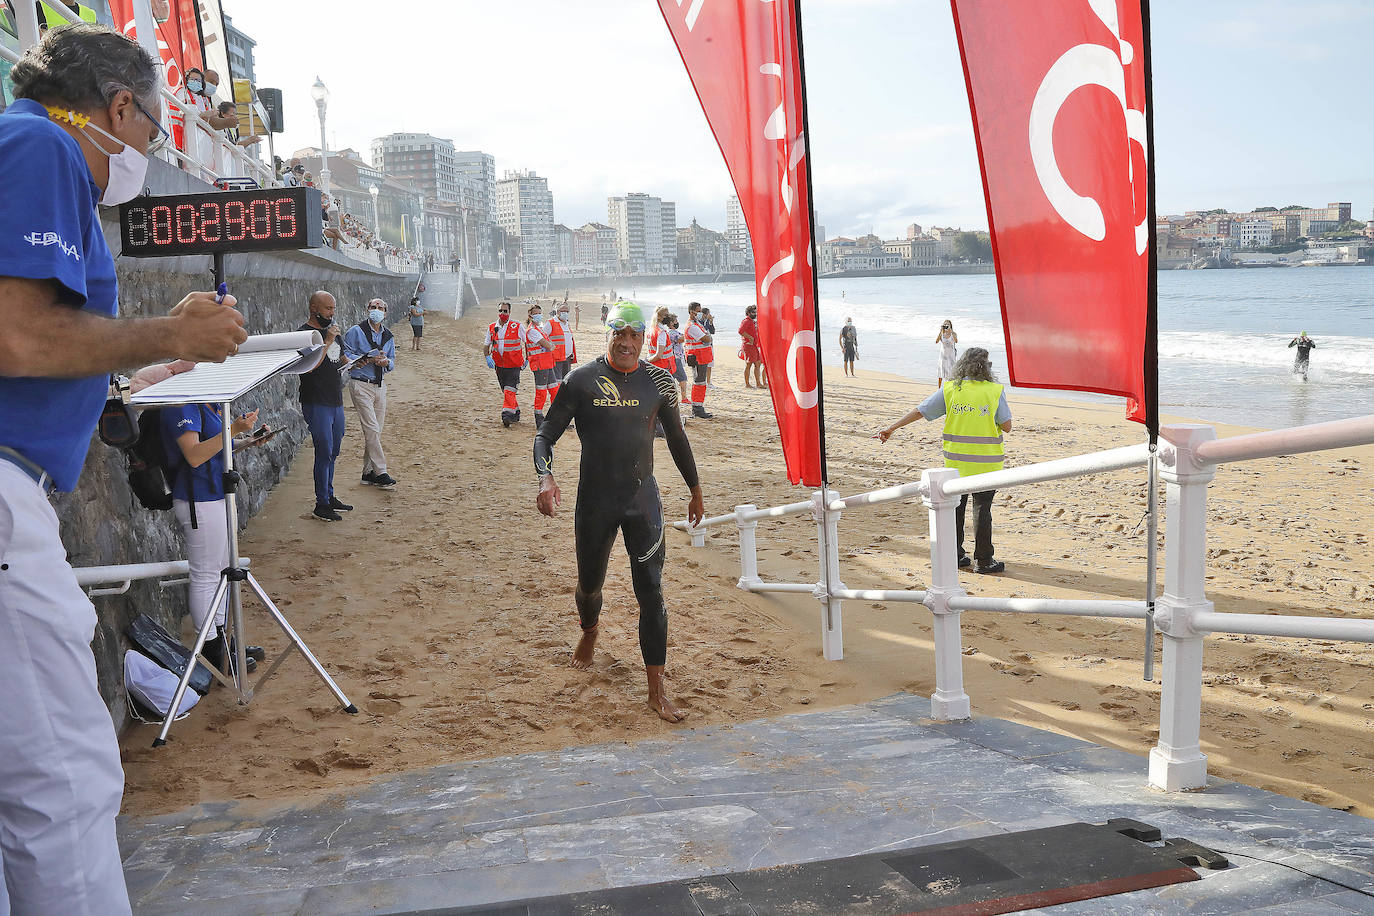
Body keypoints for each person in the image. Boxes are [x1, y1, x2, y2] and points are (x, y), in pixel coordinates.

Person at [0, 25, 246, 913]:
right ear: (118, 107)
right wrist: (170, 332)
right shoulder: (39, 144)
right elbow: (20, 336)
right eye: (150, 133)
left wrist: (141, 368)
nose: (144, 154)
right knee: (63, 777)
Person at [534, 301, 704, 723]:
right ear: (608, 334)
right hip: (595, 503)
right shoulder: (581, 381)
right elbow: (544, 436)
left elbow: (678, 440)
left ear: (644, 338)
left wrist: (695, 489)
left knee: (652, 593)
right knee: (590, 586)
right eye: (619, 334)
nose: (627, 343)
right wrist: (546, 479)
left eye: (635, 336)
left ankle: (656, 691)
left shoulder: (659, 382)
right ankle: (590, 632)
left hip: (643, 501)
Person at [874, 347, 1011, 574]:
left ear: (962, 366)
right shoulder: (994, 390)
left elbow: (921, 411)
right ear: (986, 368)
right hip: (987, 463)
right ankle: (985, 561)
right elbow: (1007, 426)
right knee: (982, 510)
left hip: (956, 463)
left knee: (956, 509)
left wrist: (892, 428)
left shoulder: (950, 389)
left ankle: (956, 555)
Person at [161, 402, 270, 670]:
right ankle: (211, 650)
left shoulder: (207, 402)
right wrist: (233, 429)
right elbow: (195, 455)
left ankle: (222, 641)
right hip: (198, 497)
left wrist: (247, 439)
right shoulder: (182, 404)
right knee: (206, 574)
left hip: (216, 493)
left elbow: (216, 447)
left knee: (221, 571)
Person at [299, 291, 352, 522]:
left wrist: (360, 362)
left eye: (334, 308)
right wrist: (327, 340)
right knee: (324, 451)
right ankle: (321, 503)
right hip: (316, 400)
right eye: (328, 308)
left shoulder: (333, 330)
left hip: (335, 399)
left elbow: (340, 358)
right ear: (314, 308)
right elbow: (308, 366)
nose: (332, 313)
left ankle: (329, 495)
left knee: (334, 450)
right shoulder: (305, 334)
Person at [344, 298, 397, 489]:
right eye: (373, 307)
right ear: (367, 309)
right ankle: (381, 471)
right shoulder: (355, 331)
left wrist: (385, 363)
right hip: (360, 384)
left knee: (375, 431)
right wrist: (359, 360)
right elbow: (345, 354)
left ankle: (367, 473)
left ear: (385, 312)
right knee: (372, 429)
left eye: (380, 308)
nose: (376, 310)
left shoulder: (388, 336)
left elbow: (392, 360)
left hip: (380, 385)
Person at [485, 301, 525, 426]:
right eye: (500, 311)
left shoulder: (517, 326)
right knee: (507, 390)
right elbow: (486, 345)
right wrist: (487, 357)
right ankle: (516, 412)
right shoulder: (492, 327)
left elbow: (527, 342)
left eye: (505, 311)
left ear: (509, 312)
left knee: (509, 390)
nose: (502, 313)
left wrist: (528, 359)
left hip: (514, 365)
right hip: (499, 366)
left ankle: (506, 415)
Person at [522, 303, 557, 428]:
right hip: (540, 365)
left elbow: (548, 344)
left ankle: (555, 417)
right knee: (541, 392)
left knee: (554, 390)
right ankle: (539, 417)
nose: (538, 315)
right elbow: (548, 345)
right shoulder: (532, 330)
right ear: (530, 316)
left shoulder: (539, 329)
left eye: (539, 313)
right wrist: (551, 346)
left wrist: (550, 346)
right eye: (535, 313)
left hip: (547, 363)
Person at [684, 301, 715, 419]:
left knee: (701, 383)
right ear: (692, 312)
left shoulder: (696, 324)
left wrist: (707, 337)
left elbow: (708, 335)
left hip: (701, 357)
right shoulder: (692, 326)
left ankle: (698, 407)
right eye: (698, 311)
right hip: (697, 358)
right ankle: (697, 409)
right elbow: (707, 338)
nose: (700, 313)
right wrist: (707, 337)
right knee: (699, 383)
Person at [548, 301, 576, 396]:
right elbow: (543, 337)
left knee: (566, 379)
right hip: (556, 357)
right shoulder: (551, 323)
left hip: (567, 357)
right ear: (557, 312)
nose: (565, 313)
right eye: (562, 311)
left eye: (567, 311)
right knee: (557, 381)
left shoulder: (566, 324)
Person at [739, 304, 766, 389]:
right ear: (748, 313)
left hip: (754, 346)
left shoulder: (752, 321)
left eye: (756, 312)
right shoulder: (746, 320)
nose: (755, 314)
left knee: (757, 363)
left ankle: (758, 383)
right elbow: (740, 331)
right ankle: (747, 384)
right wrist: (750, 338)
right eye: (753, 312)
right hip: (748, 346)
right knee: (749, 364)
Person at [667, 314, 689, 404]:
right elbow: (680, 339)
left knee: (672, 378)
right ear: (671, 323)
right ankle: (684, 398)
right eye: (675, 321)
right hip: (675, 358)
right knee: (682, 378)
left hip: (675, 358)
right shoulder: (671, 333)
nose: (677, 323)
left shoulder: (673, 332)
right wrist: (688, 332)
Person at [647, 306, 676, 375]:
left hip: (655, 366)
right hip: (664, 367)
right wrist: (647, 361)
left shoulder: (652, 329)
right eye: (666, 315)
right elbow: (659, 355)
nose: (668, 317)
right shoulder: (661, 332)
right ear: (659, 317)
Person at [936, 319, 958, 386]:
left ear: (950, 326)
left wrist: (951, 332)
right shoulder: (942, 333)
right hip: (943, 355)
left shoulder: (953, 333)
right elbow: (936, 341)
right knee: (941, 372)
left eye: (947, 324)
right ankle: (939, 388)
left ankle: (950, 386)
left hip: (951, 356)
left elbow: (956, 341)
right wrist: (940, 332)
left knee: (951, 371)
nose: (946, 326)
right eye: (945, 324)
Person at [700, 307, 718, 388]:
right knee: (702, 365)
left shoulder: (708, 322)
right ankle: (703, 381)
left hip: (709, 345)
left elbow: (713, 331)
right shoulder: (699, 322)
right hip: (702, 346)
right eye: (708, 313)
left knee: (710, 364)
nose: (710, 315)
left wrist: (711, 322)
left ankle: (708, 382)